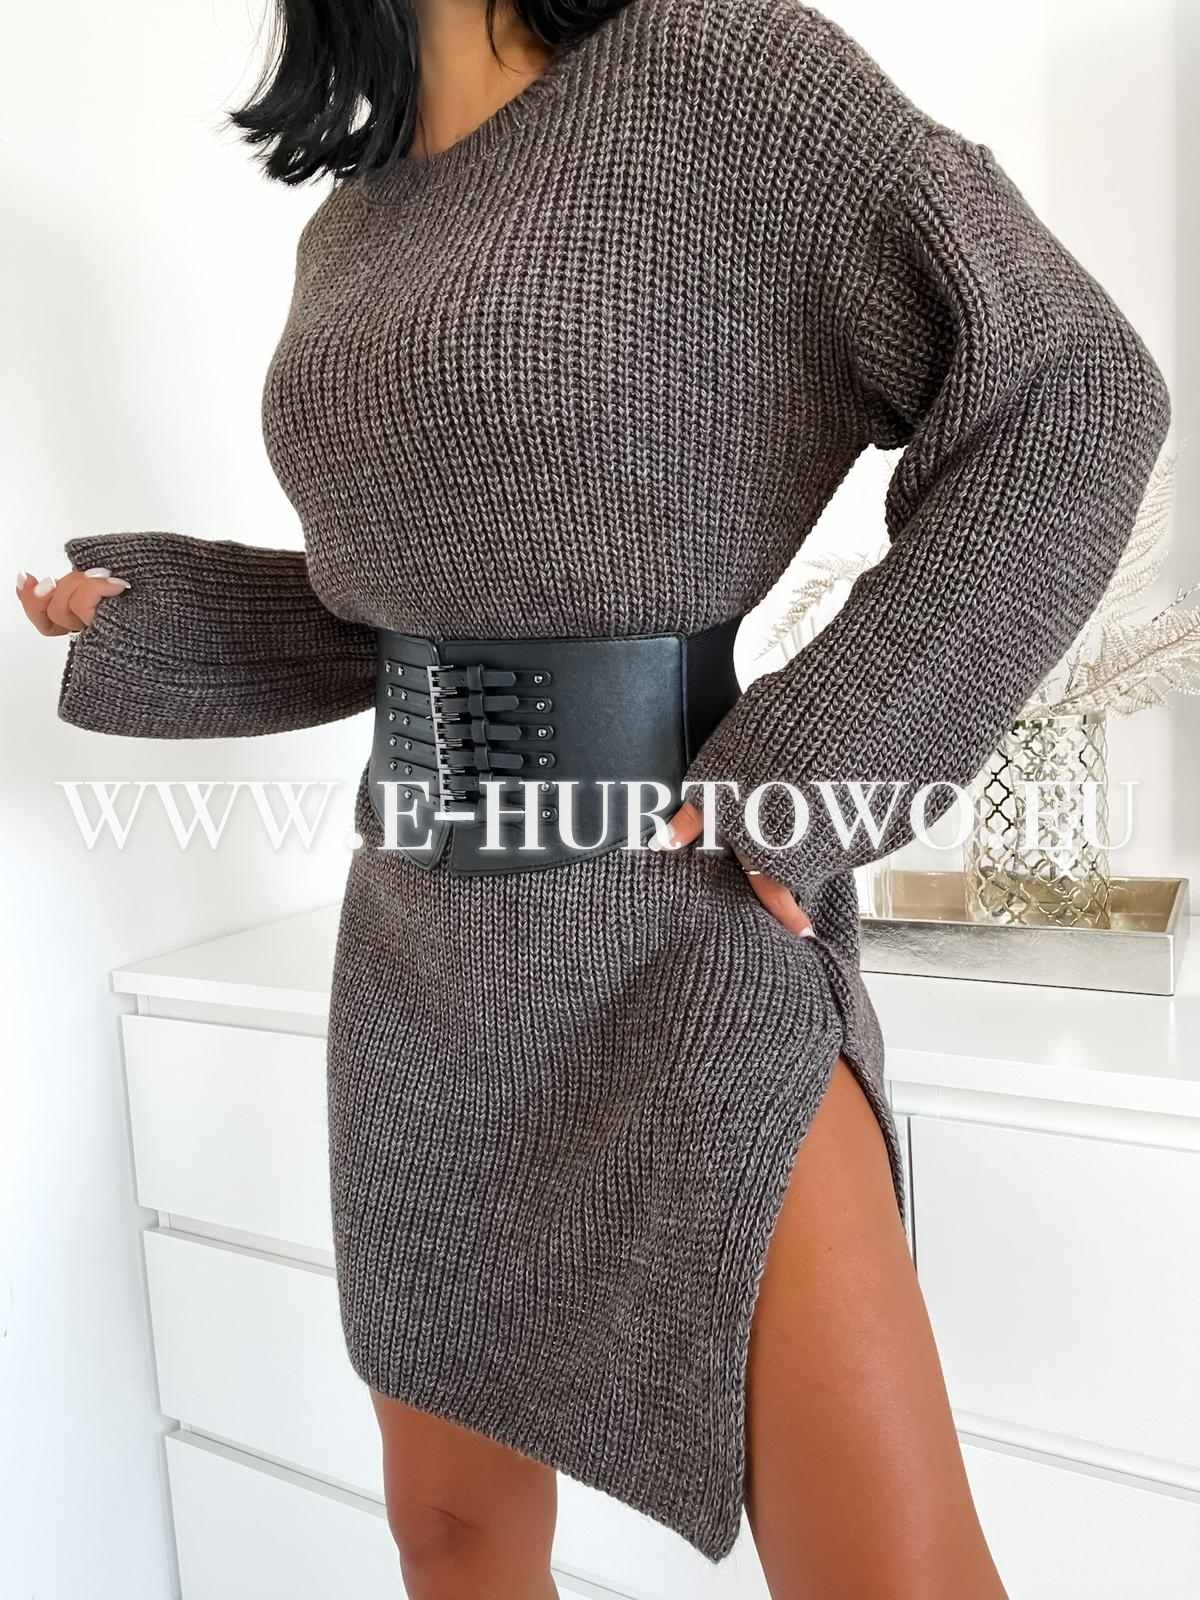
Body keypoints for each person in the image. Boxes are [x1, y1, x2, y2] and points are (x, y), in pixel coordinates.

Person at [19, 0, 1170, 1594]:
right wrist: (161, 619)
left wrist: (830, 759)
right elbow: (415, 602)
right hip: (421, 957)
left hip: (682, 937)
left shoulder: (720, 70)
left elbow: (1075, 392)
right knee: (453, 1538)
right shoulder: (352, 222)